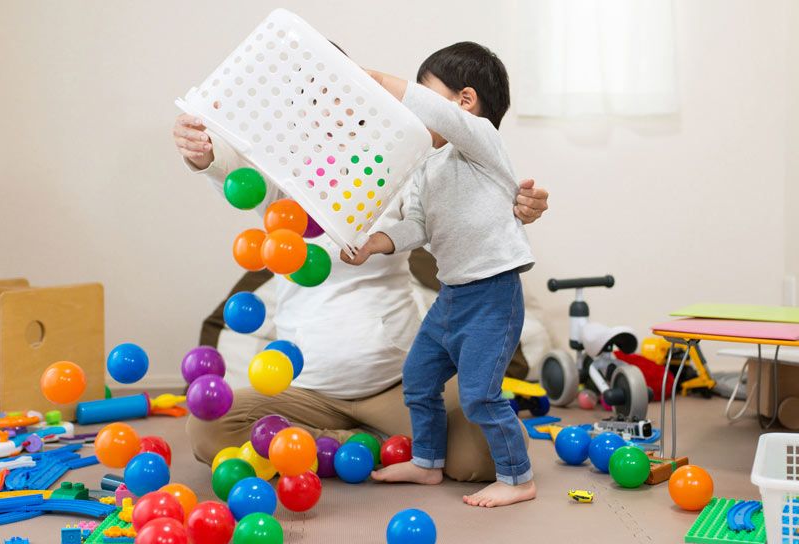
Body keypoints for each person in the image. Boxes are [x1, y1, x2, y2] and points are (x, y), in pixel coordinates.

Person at [172, 65, 549, 484]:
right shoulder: (281, 178)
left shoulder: (402, 163)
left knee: (479, 457)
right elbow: (232, 171)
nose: (327, 111)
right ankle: (355, 442)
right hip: (305, 390)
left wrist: (518, 203)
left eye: (337, 95)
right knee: (206, 429)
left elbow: (466, 196)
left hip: (396, 384)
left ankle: (349, 445)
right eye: (310, 99)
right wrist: (203, 153)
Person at [343, 42, 535, 508]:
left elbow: (436, 113)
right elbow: (419, 227)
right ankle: (427, 462)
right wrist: (376, 243)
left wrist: (372, 78)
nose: (416, 116)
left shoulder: (483, 144)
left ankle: (518, 479)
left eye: (426, 97)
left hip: (493, 295)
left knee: (479, 396)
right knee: (419, 377)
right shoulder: (428, 165)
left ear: (464, 101)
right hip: (451, 296)